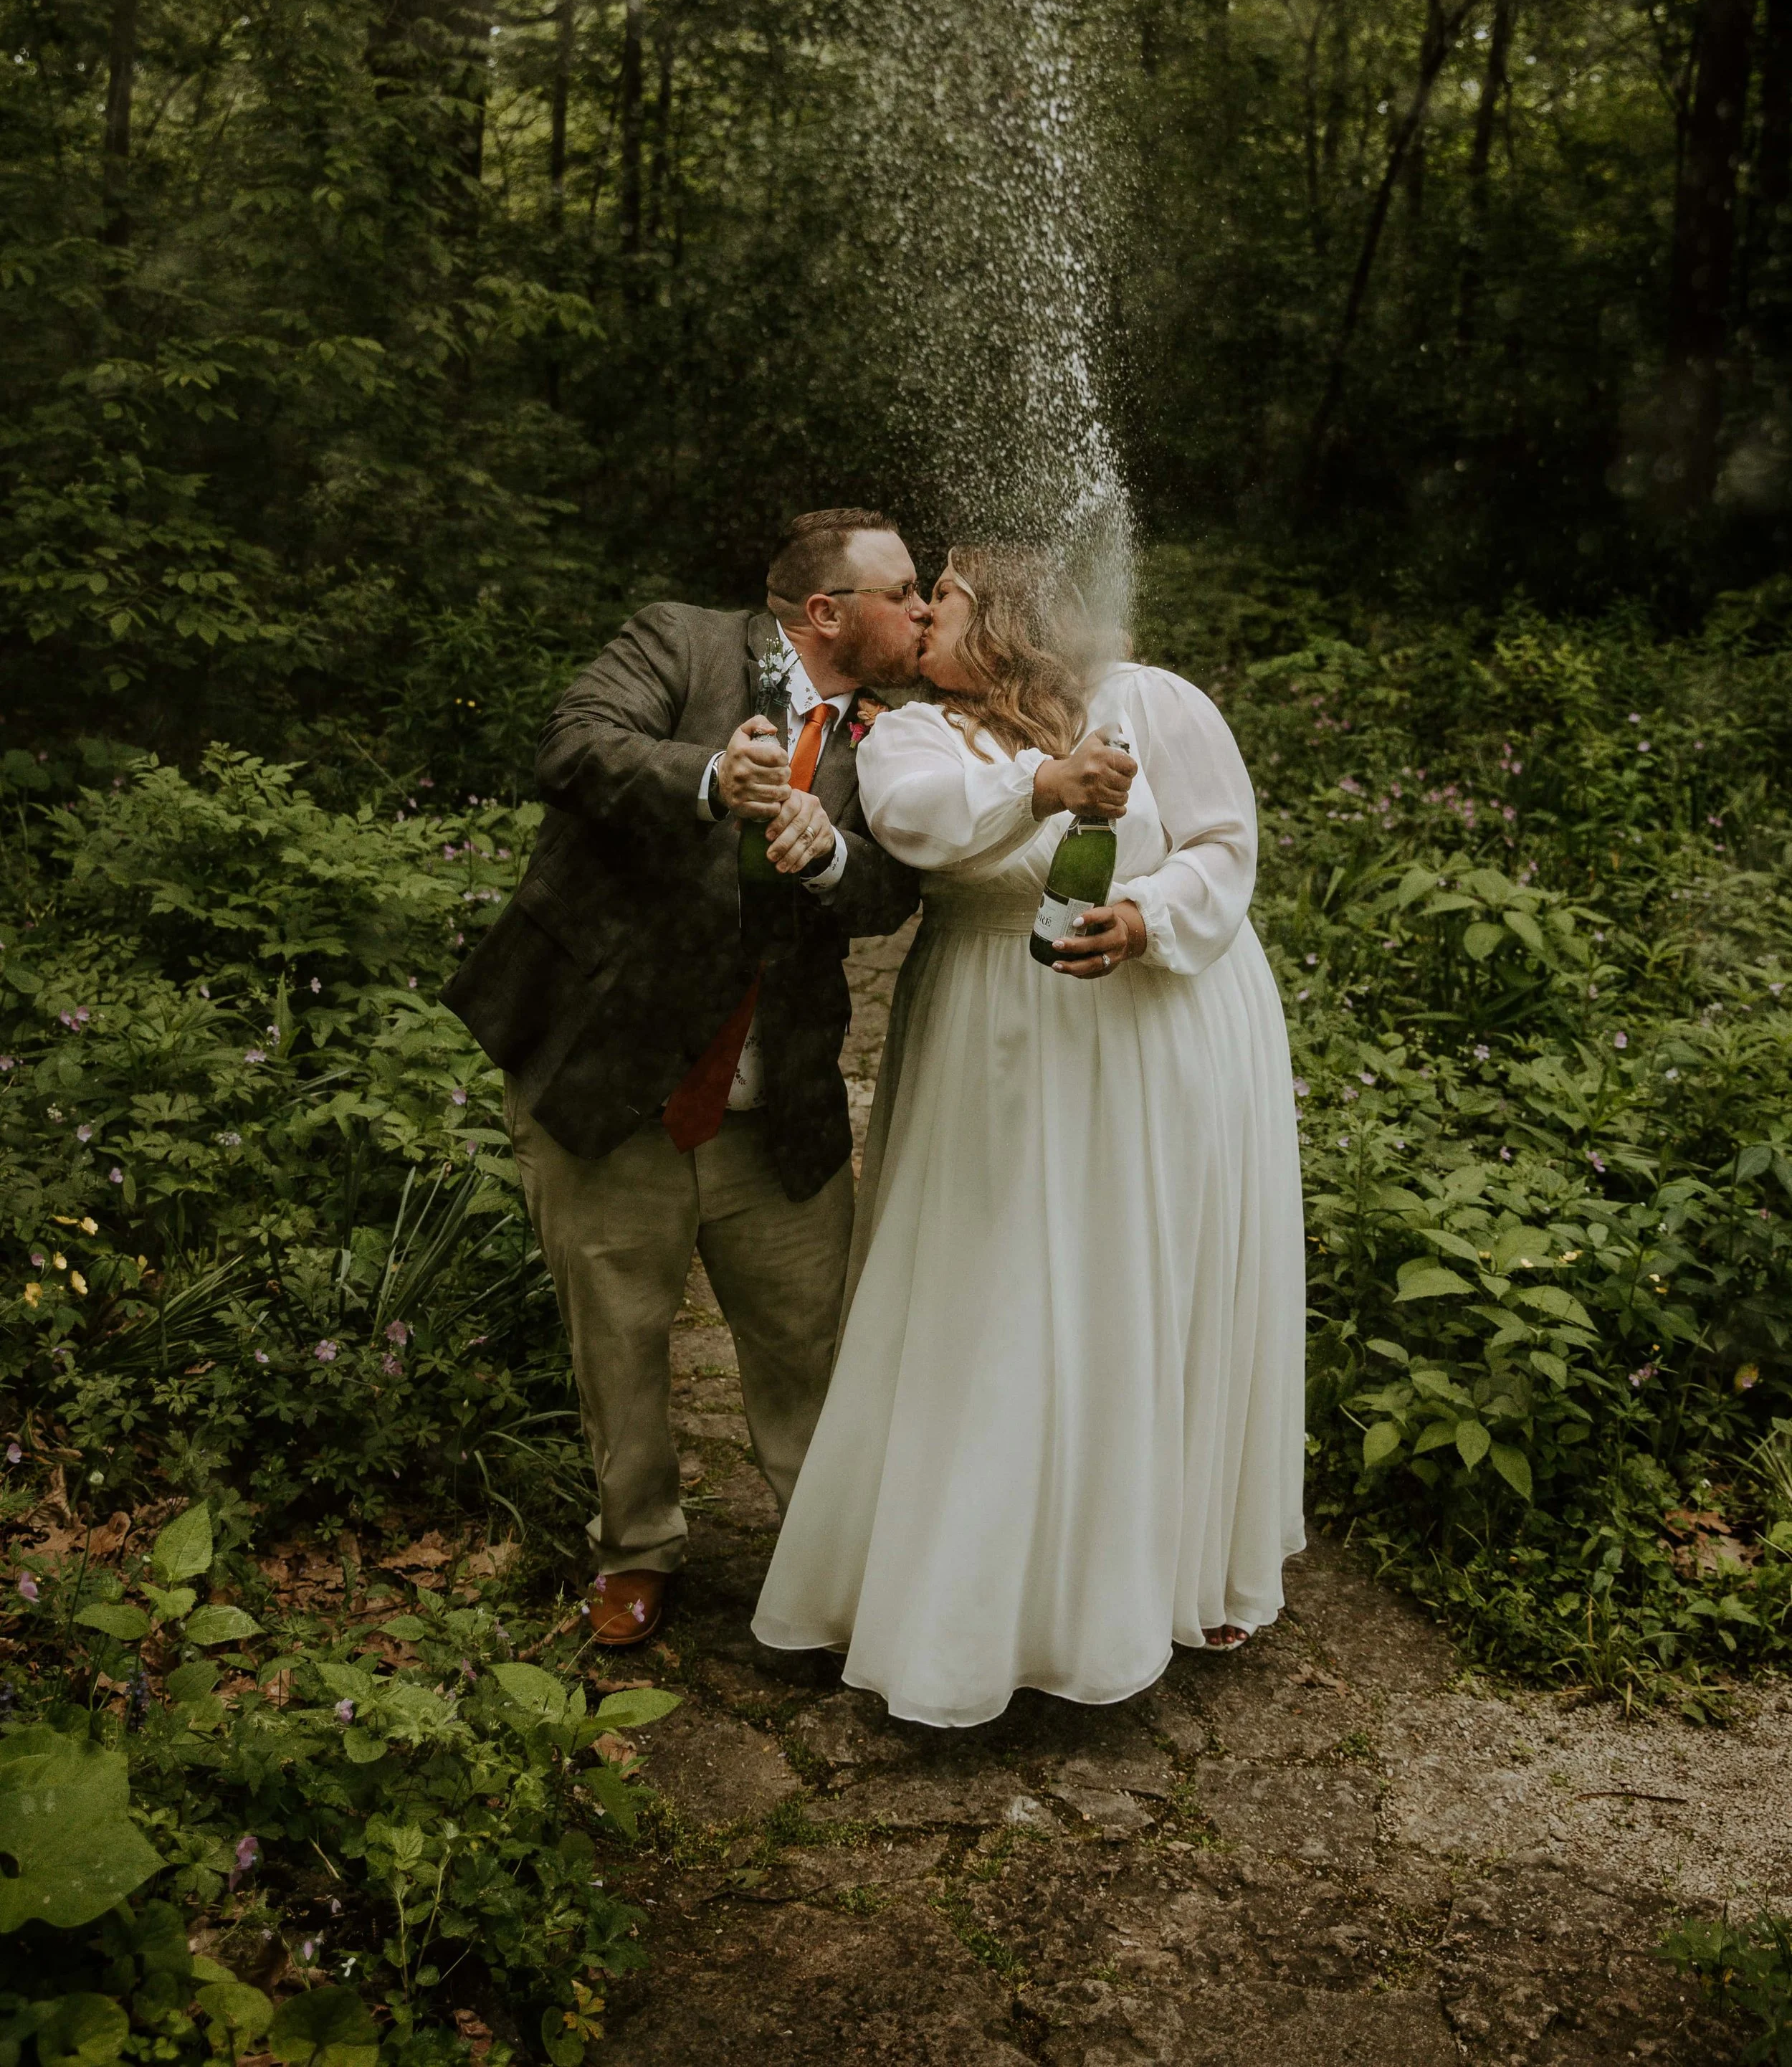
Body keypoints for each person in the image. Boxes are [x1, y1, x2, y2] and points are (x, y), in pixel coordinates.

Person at [752, 543, 1305, 1726]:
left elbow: (1225, 845)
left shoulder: (1149, 699)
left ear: (1000, 616)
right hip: (992, 1049)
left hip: (1149, 1036)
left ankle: (1143, 1580)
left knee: (1133, 1292)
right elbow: (916, 825)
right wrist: (1049, 788)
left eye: (934, 598)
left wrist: (1146, 914)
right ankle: (969, 1609)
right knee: (994, 1303)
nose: (913, 620)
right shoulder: (908, 734)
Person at [444, 508, 925, 1646]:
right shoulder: (682, 644)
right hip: (612, 1080)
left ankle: (828, 1568)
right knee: (619, 1337)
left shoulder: (898, 739)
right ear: (827, 612)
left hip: (780, 1106)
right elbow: (572, 746)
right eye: (902, 590)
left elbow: (896, 895)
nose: (921, 608)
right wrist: (708, 774)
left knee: (811, 1345)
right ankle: (638, 1550)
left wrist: (834, 856)